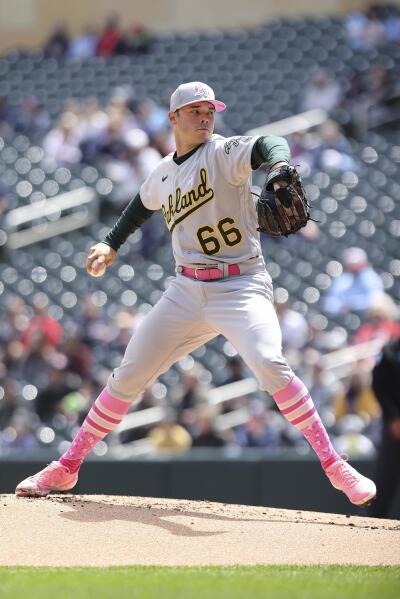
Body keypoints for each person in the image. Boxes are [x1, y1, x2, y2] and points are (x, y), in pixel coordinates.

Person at [15, 81, 376, 506]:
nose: (205, 117)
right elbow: (140, 205)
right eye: (195, 111)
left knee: (269, 364)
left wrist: (278, 166)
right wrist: (111, 243)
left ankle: (335, 466)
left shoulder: (223, 153)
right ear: (173, 118)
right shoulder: (164, 170)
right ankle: (67, 467)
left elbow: (269, 142)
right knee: (129, 374)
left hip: (241, 285)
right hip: (186, 288)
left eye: (210, 110)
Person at [368, 338, 400, 518]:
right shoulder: (391, 349)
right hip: (395, 428)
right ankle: (371, 527)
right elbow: (378, 384)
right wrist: (393, 416)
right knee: (385, 481)